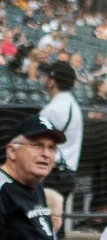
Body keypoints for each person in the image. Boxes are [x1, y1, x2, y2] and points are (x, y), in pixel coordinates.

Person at [39, 60, 82, 215]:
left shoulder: (53, 108)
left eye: (45, 77)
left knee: (44, 228)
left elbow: (38, 143)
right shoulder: (71, 103)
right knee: (58, 229)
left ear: (52, 81)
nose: (42, 79)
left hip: (54, 174)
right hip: (66, 174)